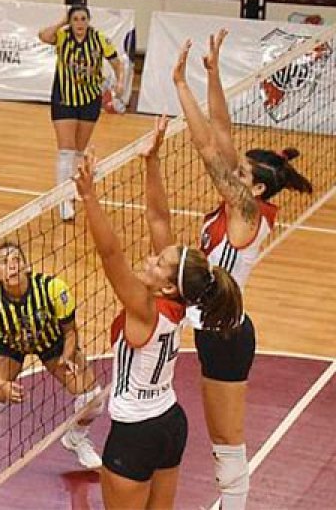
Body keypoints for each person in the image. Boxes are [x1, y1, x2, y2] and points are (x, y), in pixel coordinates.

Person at [173, 30, 313, 510]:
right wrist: (211, 75)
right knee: (219, 441)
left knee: (226, 442)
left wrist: (180, 88)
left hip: (227, 337)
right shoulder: (239, 203)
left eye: (242, 175)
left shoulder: (247, 216)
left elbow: (209, 150)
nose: (234, 173)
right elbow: (224, 135)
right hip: (213, 327)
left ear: (255, 192)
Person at [74, 134, 244, 508]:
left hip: (135, 433)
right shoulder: (177, 302)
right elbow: (158, 218)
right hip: (169, 422)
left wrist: (89, 197)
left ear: (168, 286)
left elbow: (110, 253)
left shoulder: (144, 308)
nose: (150, 260)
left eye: (158, 262)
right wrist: (152, 161)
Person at [0, 242, 104, 499]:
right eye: (3, 261)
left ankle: (76, 437)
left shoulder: (52, 288)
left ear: (26, 265)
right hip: (8, 346)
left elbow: (70, 331)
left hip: (52, 342)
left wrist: (67, 358)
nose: (11, 264)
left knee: (94, 398)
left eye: (16, 259)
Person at [38, 4, 126, 221]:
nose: (79, 23)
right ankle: (63, 201)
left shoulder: (99, 39)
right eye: (75, 19)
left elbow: (117, 63)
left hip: (89, 99)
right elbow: (42, 35)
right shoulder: (62, 35)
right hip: (64, 98)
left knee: (79, 150)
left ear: (89, 20)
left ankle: (75, 189)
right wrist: (62, 21)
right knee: (66, 150)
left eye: (83, 19)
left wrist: (121, 82)